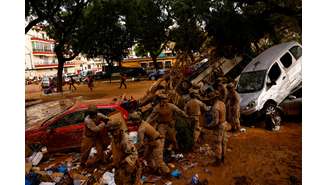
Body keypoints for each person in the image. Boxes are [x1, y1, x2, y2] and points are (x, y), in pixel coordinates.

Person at [107, 119, 141, 185]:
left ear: (119, 129)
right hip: (119, 166)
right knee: (118, 181)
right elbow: (114, 147)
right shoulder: (114, 138)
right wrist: (108, 155)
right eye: (112, 131)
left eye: (115, 130)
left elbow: (133, 154)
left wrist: (122, 162)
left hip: (127, 167)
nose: (113, 133)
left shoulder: (125, 140)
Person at [205, 91, 229, 165]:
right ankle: (223, 158)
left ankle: (218, 161)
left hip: (219, 127)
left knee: (217, 143)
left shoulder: (215, 107)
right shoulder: (222, 103)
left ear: (213, 99)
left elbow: (216, 121)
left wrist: (208, 126)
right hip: (225, 124)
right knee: (223, 142)